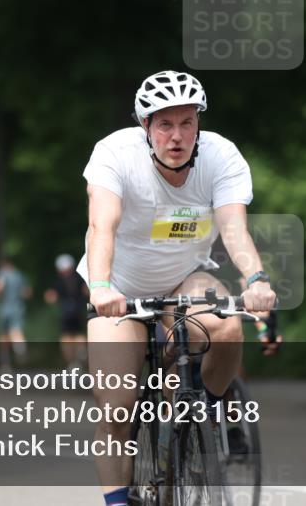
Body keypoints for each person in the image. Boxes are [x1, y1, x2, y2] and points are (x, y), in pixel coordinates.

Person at [81, 70, 276, 506]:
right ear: (145, 126)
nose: (177, 135)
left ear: (198, 124)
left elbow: (233, 229)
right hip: (119, 290)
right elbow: (102, 225)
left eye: (187, 122)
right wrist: (100, 286)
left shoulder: (221, 156)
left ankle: (199, 413)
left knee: (225, 326)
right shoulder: (114, 153)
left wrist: (256, 280)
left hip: (185, 278)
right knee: (117, 407)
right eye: (165, 124)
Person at [45, 254, 89, 369]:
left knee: (68, 338)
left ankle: (73, 362)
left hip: (68, 313)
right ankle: (77, 359)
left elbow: (51, 297)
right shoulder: (80, 278)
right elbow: (87, 292)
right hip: (76, 311)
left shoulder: (58, 282)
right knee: (75, 336)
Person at [0, 256, 31, 370]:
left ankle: (5, 363)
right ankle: (20, 348)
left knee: (3, 336)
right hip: (18, 307)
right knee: (16, 330)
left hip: (5, 308)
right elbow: (27, 292)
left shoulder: (0, 274)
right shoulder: (19, 275)